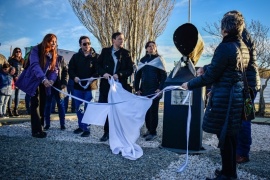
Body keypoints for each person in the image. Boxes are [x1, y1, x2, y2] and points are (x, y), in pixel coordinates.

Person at [181, 13, 248, 179]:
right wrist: (206, 67)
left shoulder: (224, 47)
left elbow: (211, 77)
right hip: (236, 96)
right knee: (231, 137)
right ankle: (229, 171)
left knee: (225, 138)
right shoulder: (242, 46)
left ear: (224, 28)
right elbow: (224, 67)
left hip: (225, 98)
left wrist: (189, 84)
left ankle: (227, 175)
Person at [16, 33, 58, 138]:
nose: (54, 43)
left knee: (43, 104)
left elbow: (54, 69)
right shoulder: (36, 50)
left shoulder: (53, 54)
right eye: (51, 41)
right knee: (35, 104)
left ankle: (41, 125)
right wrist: (43, 79)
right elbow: (34, 65)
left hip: (45, 83)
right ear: (46, 41)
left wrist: (52, 80)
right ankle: (36, 130)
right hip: (33, 80)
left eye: (55, 42)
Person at [97, 32, 133, 142]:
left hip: (120, 86)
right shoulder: (105, 51)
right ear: (113, 40)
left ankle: (119, 132)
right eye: (119, 39)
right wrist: (104, 74)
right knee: (108, 108)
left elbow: (130, 69)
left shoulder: (126, 54)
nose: (122, 41)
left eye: (123, 39)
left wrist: (120, 74)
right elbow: (98, 65)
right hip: (106, 86)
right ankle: (106, 132)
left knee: (119, 109)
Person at [134, 41, 167, 141]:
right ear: (146, 48)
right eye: (149, 46)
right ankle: (148, 129)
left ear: (156, 48)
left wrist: (160, 88)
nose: (152, 48)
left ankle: (153, 131)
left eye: (154, 46)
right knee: (146, 111)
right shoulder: (143, 60)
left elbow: (164, 76)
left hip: (155, 90)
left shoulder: (159, 60)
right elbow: (137, 76)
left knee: (153, 111)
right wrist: (137, 89)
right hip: (144, 90)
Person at [68, 35, 99, 137]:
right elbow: (70, 69)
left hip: (91, 87)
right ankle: (81, 126)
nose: (87, 46)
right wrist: (74, 77)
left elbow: (99, 71)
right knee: (79, 108)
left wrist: (93, 77)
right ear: (80, 45)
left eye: (89, 43)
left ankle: (87, 128)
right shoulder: (75, 57)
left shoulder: (96, 57)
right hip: (78, 87)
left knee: (88, 108)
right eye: (84, 44)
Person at [44, 54, 68, 130]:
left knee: (61, 105)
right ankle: (47, 124)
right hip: (47, 86)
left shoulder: (60, 58)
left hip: (59, 86)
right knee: (47, 105)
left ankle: (62, 124)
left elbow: (65, 71)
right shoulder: (44, 58)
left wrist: (64, 82)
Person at [7, 47, 24, 117]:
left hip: (19, 79)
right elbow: (9, 70)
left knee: (18, 95)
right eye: (17, 51)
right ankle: (9, 110)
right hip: (12, 79)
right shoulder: (11, 60)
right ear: (14, 52)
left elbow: (23, 70)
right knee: (11, 95)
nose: (18, 53)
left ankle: (15, 109)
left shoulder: (22, 61)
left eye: (19, 51)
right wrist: (14, 76)